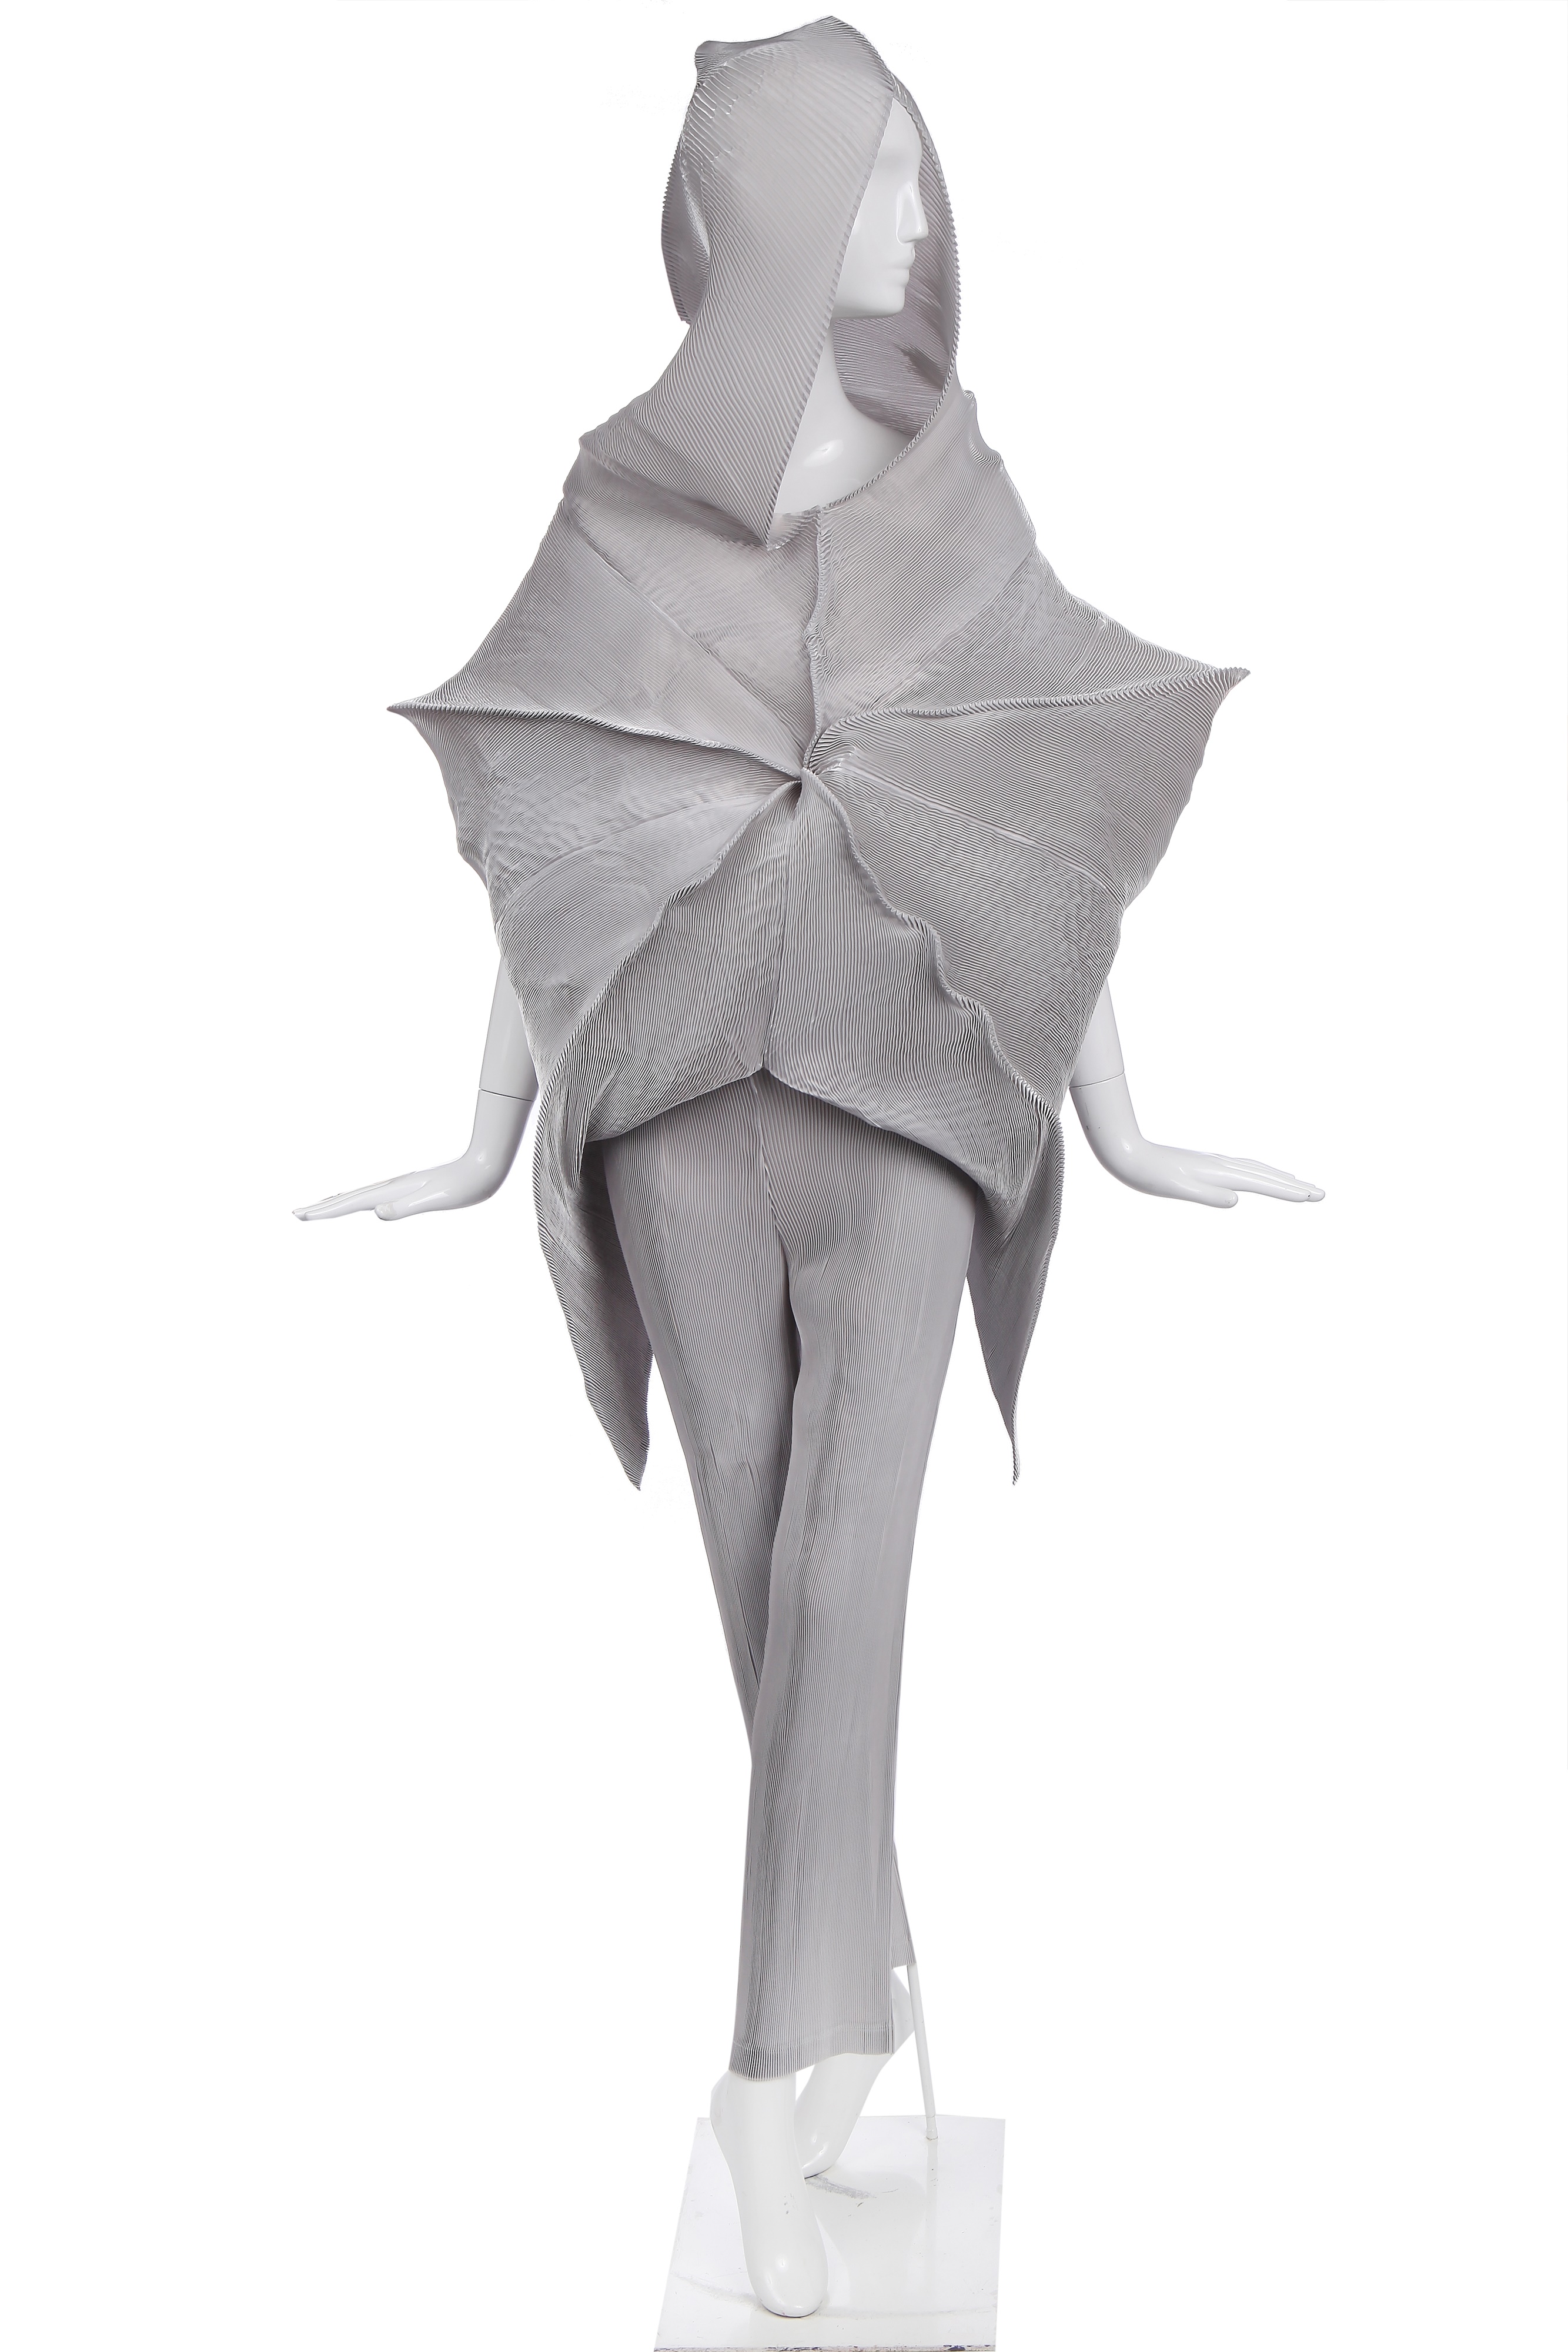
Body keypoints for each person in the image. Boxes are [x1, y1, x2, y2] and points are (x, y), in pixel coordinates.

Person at [299, 21, 1320, 2318]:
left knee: (847, 1588)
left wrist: (1124, 1125)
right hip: (675, 1121)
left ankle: (771, 2096)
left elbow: (1032, 818)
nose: (912, 212)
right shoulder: (618, 512)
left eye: (913, 172)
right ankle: (846, 1974)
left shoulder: (955, 490)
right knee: (761, 1600)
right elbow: (558, 825)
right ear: (748, 206)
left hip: (911, 1122)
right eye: (872, 173)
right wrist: (478, 1135)